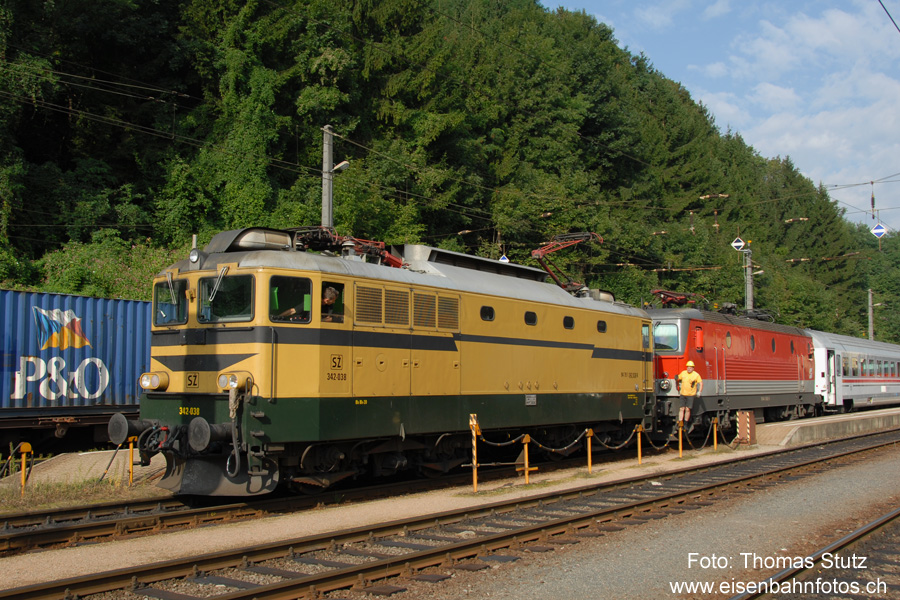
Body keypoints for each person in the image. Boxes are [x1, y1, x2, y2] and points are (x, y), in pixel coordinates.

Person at [676, 360, 703, 430]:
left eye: (690, 367)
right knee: (681, 408)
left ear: (693, 368)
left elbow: (701, 383)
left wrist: (699, 392)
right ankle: (680, 422)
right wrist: (677, 385)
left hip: (690, 395)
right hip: (683, 394)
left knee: (688, 409)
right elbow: (678, 378)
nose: (689, 368)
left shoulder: (696, 375)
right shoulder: (683, 373)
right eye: (688, 367)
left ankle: (685, 423)